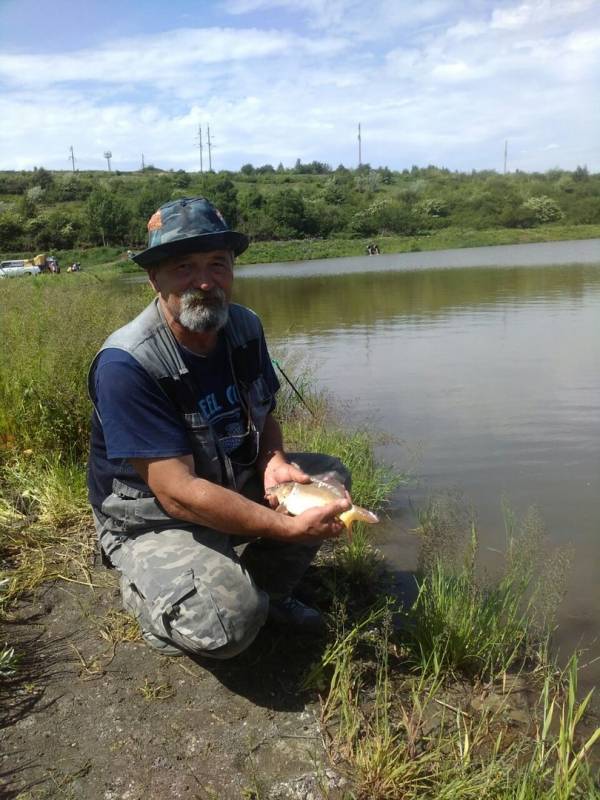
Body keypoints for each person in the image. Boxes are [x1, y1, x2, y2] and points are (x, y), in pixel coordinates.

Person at [87, 197, 352, 659]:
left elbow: (265, 413)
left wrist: (275, 461)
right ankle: (145, 593)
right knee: (228, 627)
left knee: (330, 476)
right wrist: (281, 528)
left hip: (227, 480)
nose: (205, 282)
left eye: (217, 264)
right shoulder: (128, 363)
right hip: (149, 520)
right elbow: (175, 494)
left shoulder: (244, 327)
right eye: (184, 267)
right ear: (155, 278)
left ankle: (269, 593)